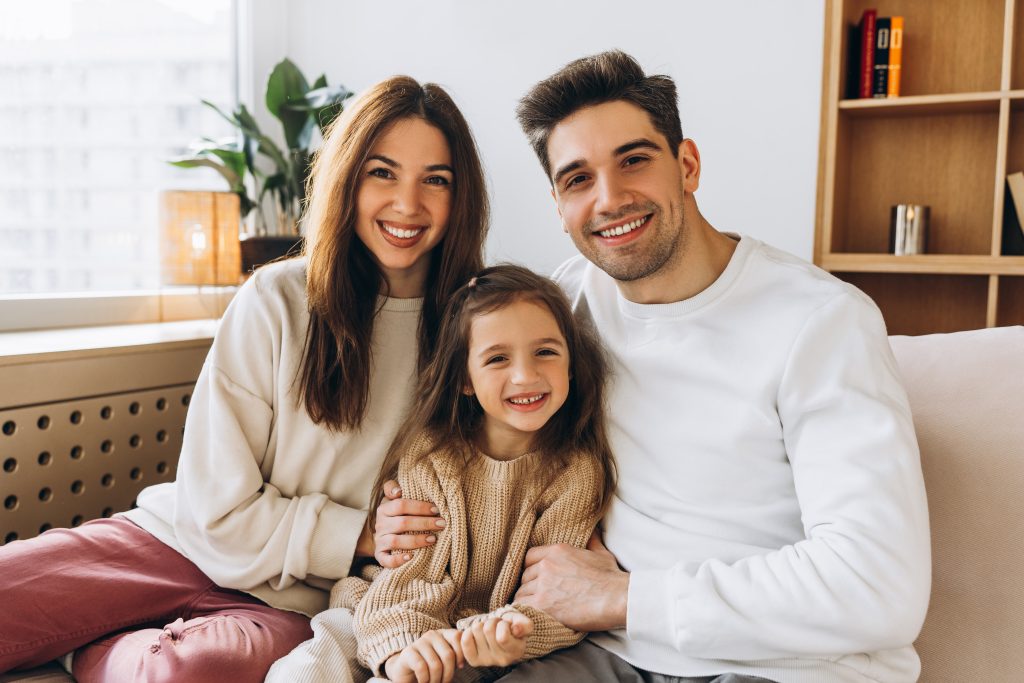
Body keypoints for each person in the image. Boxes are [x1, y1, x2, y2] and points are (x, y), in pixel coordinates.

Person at [384, 51, 932, 683]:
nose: (610, 199)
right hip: (612, 652)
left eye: (634, 160)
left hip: (788, 666)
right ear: (558, 205)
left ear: (687, 165)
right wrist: (402, 519)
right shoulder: (568, 304)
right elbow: (486, 436)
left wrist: (625, 597)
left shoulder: (821, 321)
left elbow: (878, 586)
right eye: (578, 179)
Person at [0, 75, 488, 682]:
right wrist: (360, 532)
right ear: (347, 179)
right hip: (177, 543)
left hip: (297, 597)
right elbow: (214, 507)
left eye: (435, 180)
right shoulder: (277, 297)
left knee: (184, 673)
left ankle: (89, 644)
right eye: (382, 173)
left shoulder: (479, 330)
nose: (407, 204)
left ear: (461, 196)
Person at [269, 265, 616, 683]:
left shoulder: (576, 474)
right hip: (382, 610)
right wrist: (401, 650)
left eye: (545, 352)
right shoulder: (433, 456)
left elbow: (554, 599)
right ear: (465, 380)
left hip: (478, 642)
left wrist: (512, 636)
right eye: (497, 359)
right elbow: (410, 575)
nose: (525, 375)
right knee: (304, 671)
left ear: (571, 364)